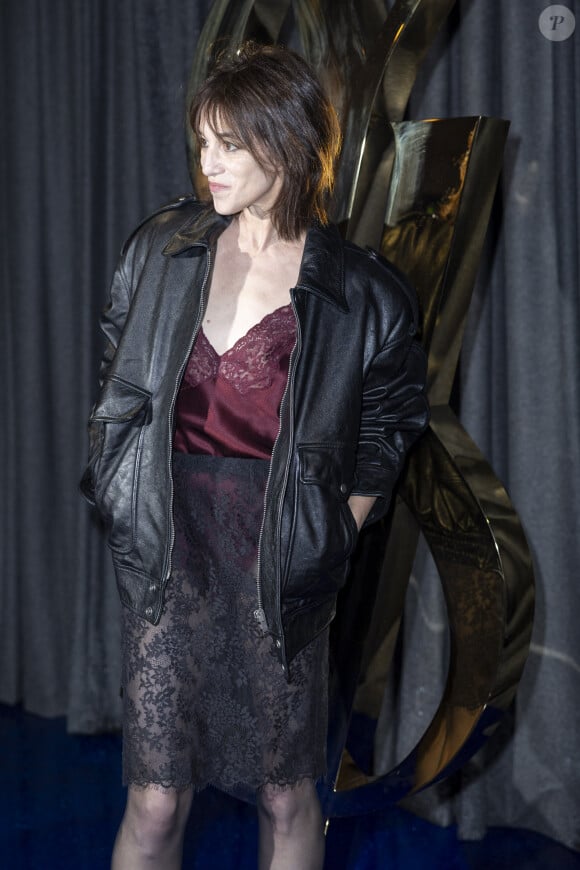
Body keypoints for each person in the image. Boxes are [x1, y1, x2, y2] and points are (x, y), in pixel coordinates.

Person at [81, 42, 429, 870]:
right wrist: (115, 479)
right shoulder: (162, 250)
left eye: (229, 144)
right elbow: (116, 373)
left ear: (287, 143)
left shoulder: (362, 291)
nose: (210, 165)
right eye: (204, 143)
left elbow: (389, 428)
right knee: (157, 796)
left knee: (283, 790)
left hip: (281, 555)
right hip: (173, 543)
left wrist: (331, 532)